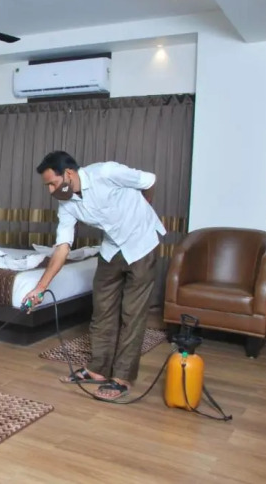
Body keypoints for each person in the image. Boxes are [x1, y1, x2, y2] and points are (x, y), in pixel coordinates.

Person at [23, 151, 165, 400]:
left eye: (52, 183)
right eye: (48, 186)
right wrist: (40, 287)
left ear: (68, 173)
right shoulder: (66, 205)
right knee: (102, 310)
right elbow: (62, 247)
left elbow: (149, 180)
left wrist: (145, 204)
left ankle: (122, 377)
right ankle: (98, 369)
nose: (51, 190)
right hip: (111, 248)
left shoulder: (106, 173)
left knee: (132, 314)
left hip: (142, 244)